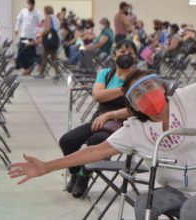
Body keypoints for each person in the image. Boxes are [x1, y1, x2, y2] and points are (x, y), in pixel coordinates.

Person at [9, 3, 196, 219]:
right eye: (136, 95)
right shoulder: (135, 129)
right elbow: (92, 152)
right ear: (130, 106)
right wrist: (47, 166)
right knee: (142, 202)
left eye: (149, 88)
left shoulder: (187, 98)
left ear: (161, 87)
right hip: (181, 188)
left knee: (192, 210)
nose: (146, 96)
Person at [59, 40, 137, 198]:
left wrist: (110, 114)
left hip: (124, 125)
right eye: (122, 52)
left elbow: (135, 109)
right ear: (114, 55)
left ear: (135, 58)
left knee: (96, 140)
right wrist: (124, 89)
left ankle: (84, 176)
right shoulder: (106, 74)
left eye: (130, 53)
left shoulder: (139, 78)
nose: (126, 56)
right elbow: (98, 95)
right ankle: (76, 172)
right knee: (67, 141)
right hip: (99, 119)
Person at [15, 0, 41, 75]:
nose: (29, 6)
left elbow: (39, 25)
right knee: (22, 51)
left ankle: (28, 68)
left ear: (33, 5)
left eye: (30, 4)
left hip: (32, 36)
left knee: (30, 53)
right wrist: (16, 29)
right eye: (28, 4)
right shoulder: (23, 11)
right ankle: (25, 67)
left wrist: (38, 36)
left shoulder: (37, 13)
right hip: (24, 36)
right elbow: (18, 20)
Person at [38, 5, 60, 79]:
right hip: (55, 40)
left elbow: (47, 29)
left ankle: (41, 73)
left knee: (44, 56)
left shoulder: (48, 17)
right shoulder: (56, 18)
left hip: (49, 40)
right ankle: (58, 73)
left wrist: (41, 35)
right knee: (54, 57)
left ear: (46, 11)